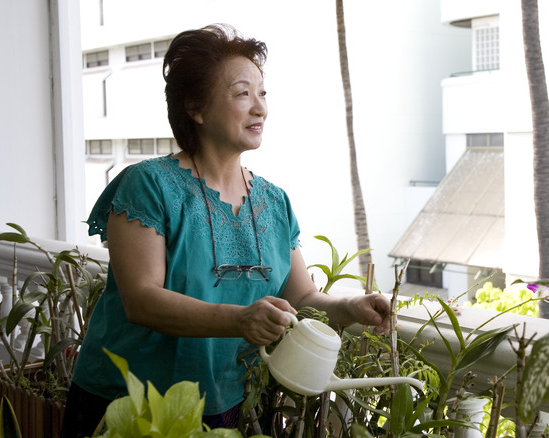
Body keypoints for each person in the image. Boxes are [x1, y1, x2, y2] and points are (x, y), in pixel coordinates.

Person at [61, 23, 390, 436]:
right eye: (242, 93)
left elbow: (302, 296)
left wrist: (348, 308)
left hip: (219, 407)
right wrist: (240, 320)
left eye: (262, 93)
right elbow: (141, 300)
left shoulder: (275, 201)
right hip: (126, 405)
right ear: (196, 108)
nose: (261, 108)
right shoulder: (148, 185)